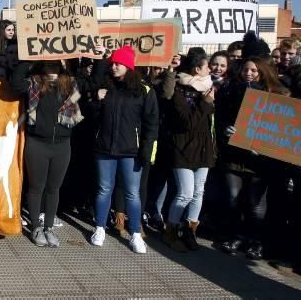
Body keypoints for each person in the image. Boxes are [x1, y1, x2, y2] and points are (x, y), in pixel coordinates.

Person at [89, 45, 159, 254]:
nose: (114, 67)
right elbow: (93, 117)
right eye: (113, 63)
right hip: (105, 149)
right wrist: (96, 100)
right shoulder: (106, 87)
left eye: (118, 63)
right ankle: (99, 228)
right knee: (103, 190)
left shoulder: (144, 90)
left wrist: (146, 150)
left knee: (132, 194)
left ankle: (136, 233)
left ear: (129, 66)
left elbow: (151, 123)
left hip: (131, 151)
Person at [216, 57, 286, 260]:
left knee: (256, 205)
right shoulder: (230, 91)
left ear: (263, 73)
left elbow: (280, 129)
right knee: (232, 199)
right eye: (246, 70)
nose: (248, 73)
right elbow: (220, 118)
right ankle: (236, 236)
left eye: (254, 71)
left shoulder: (276, 96)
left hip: (259, 161)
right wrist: (225, 130)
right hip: (234, 155)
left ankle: (256, 241)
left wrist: (264, 146)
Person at [12, 60, 83, 247]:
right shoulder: (33, 83)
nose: (52, 70)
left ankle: (49, 227)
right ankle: (36, 227)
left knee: (54, 188)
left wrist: (99, 59)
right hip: (37, 144)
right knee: (37, 187)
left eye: (56, 66)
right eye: (48, 65)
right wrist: (27, 56)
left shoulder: (71, 85)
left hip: (62, 145)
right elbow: (14, 81)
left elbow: (93, 80)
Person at [161, 51, 215, 252]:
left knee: (198, 191)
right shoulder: (180, 89)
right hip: (182, 147)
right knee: (185, 193)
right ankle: (171, 230)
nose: (210, 69)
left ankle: (191, 230)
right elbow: (188, 122)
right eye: (207, 66)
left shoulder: (209, 87)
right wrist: (205, 104)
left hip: (203, 148)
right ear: (197, 69)